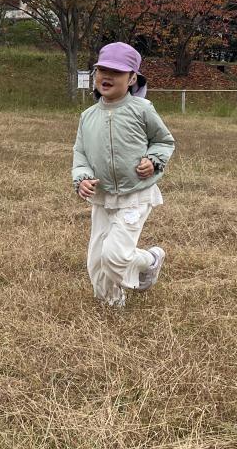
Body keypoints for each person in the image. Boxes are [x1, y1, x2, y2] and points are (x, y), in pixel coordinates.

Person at [72, 42, 176, 308]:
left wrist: (153, 161)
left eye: (116, 72)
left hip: (136, 194)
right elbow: (80, 153)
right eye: (102, 70)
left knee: (115, 255)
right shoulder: (87, 116)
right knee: (97, 259)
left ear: (132, 78)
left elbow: (163, 141)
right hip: (102, 196)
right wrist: (82, 178)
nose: (107, 76)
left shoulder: (142, 109)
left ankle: (149, 261)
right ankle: (111, 304)